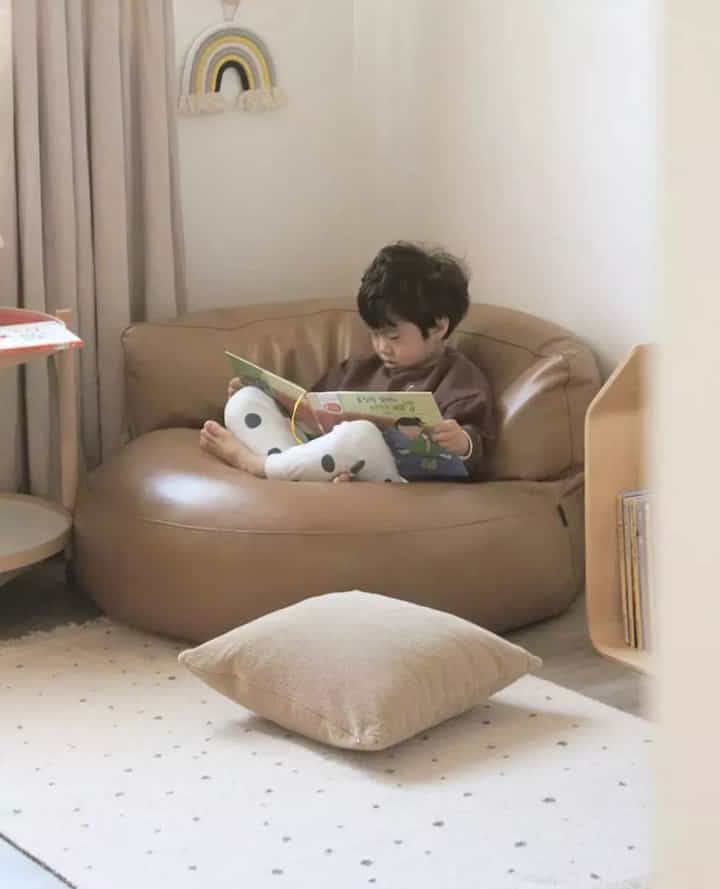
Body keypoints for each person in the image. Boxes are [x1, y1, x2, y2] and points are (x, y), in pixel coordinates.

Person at [199, 242, 495, 483]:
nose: (381, 347)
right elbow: (307, 413)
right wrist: (269, 394)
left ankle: (259, 466)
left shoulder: (460, 379)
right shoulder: (358, 369)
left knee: (359, 435)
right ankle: (299, 474)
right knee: (245, 402)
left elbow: (477, 449)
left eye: (393, 337)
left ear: (439, 327)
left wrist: (463, 443)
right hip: (332, 465)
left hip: (394, 484)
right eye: (374, 335)